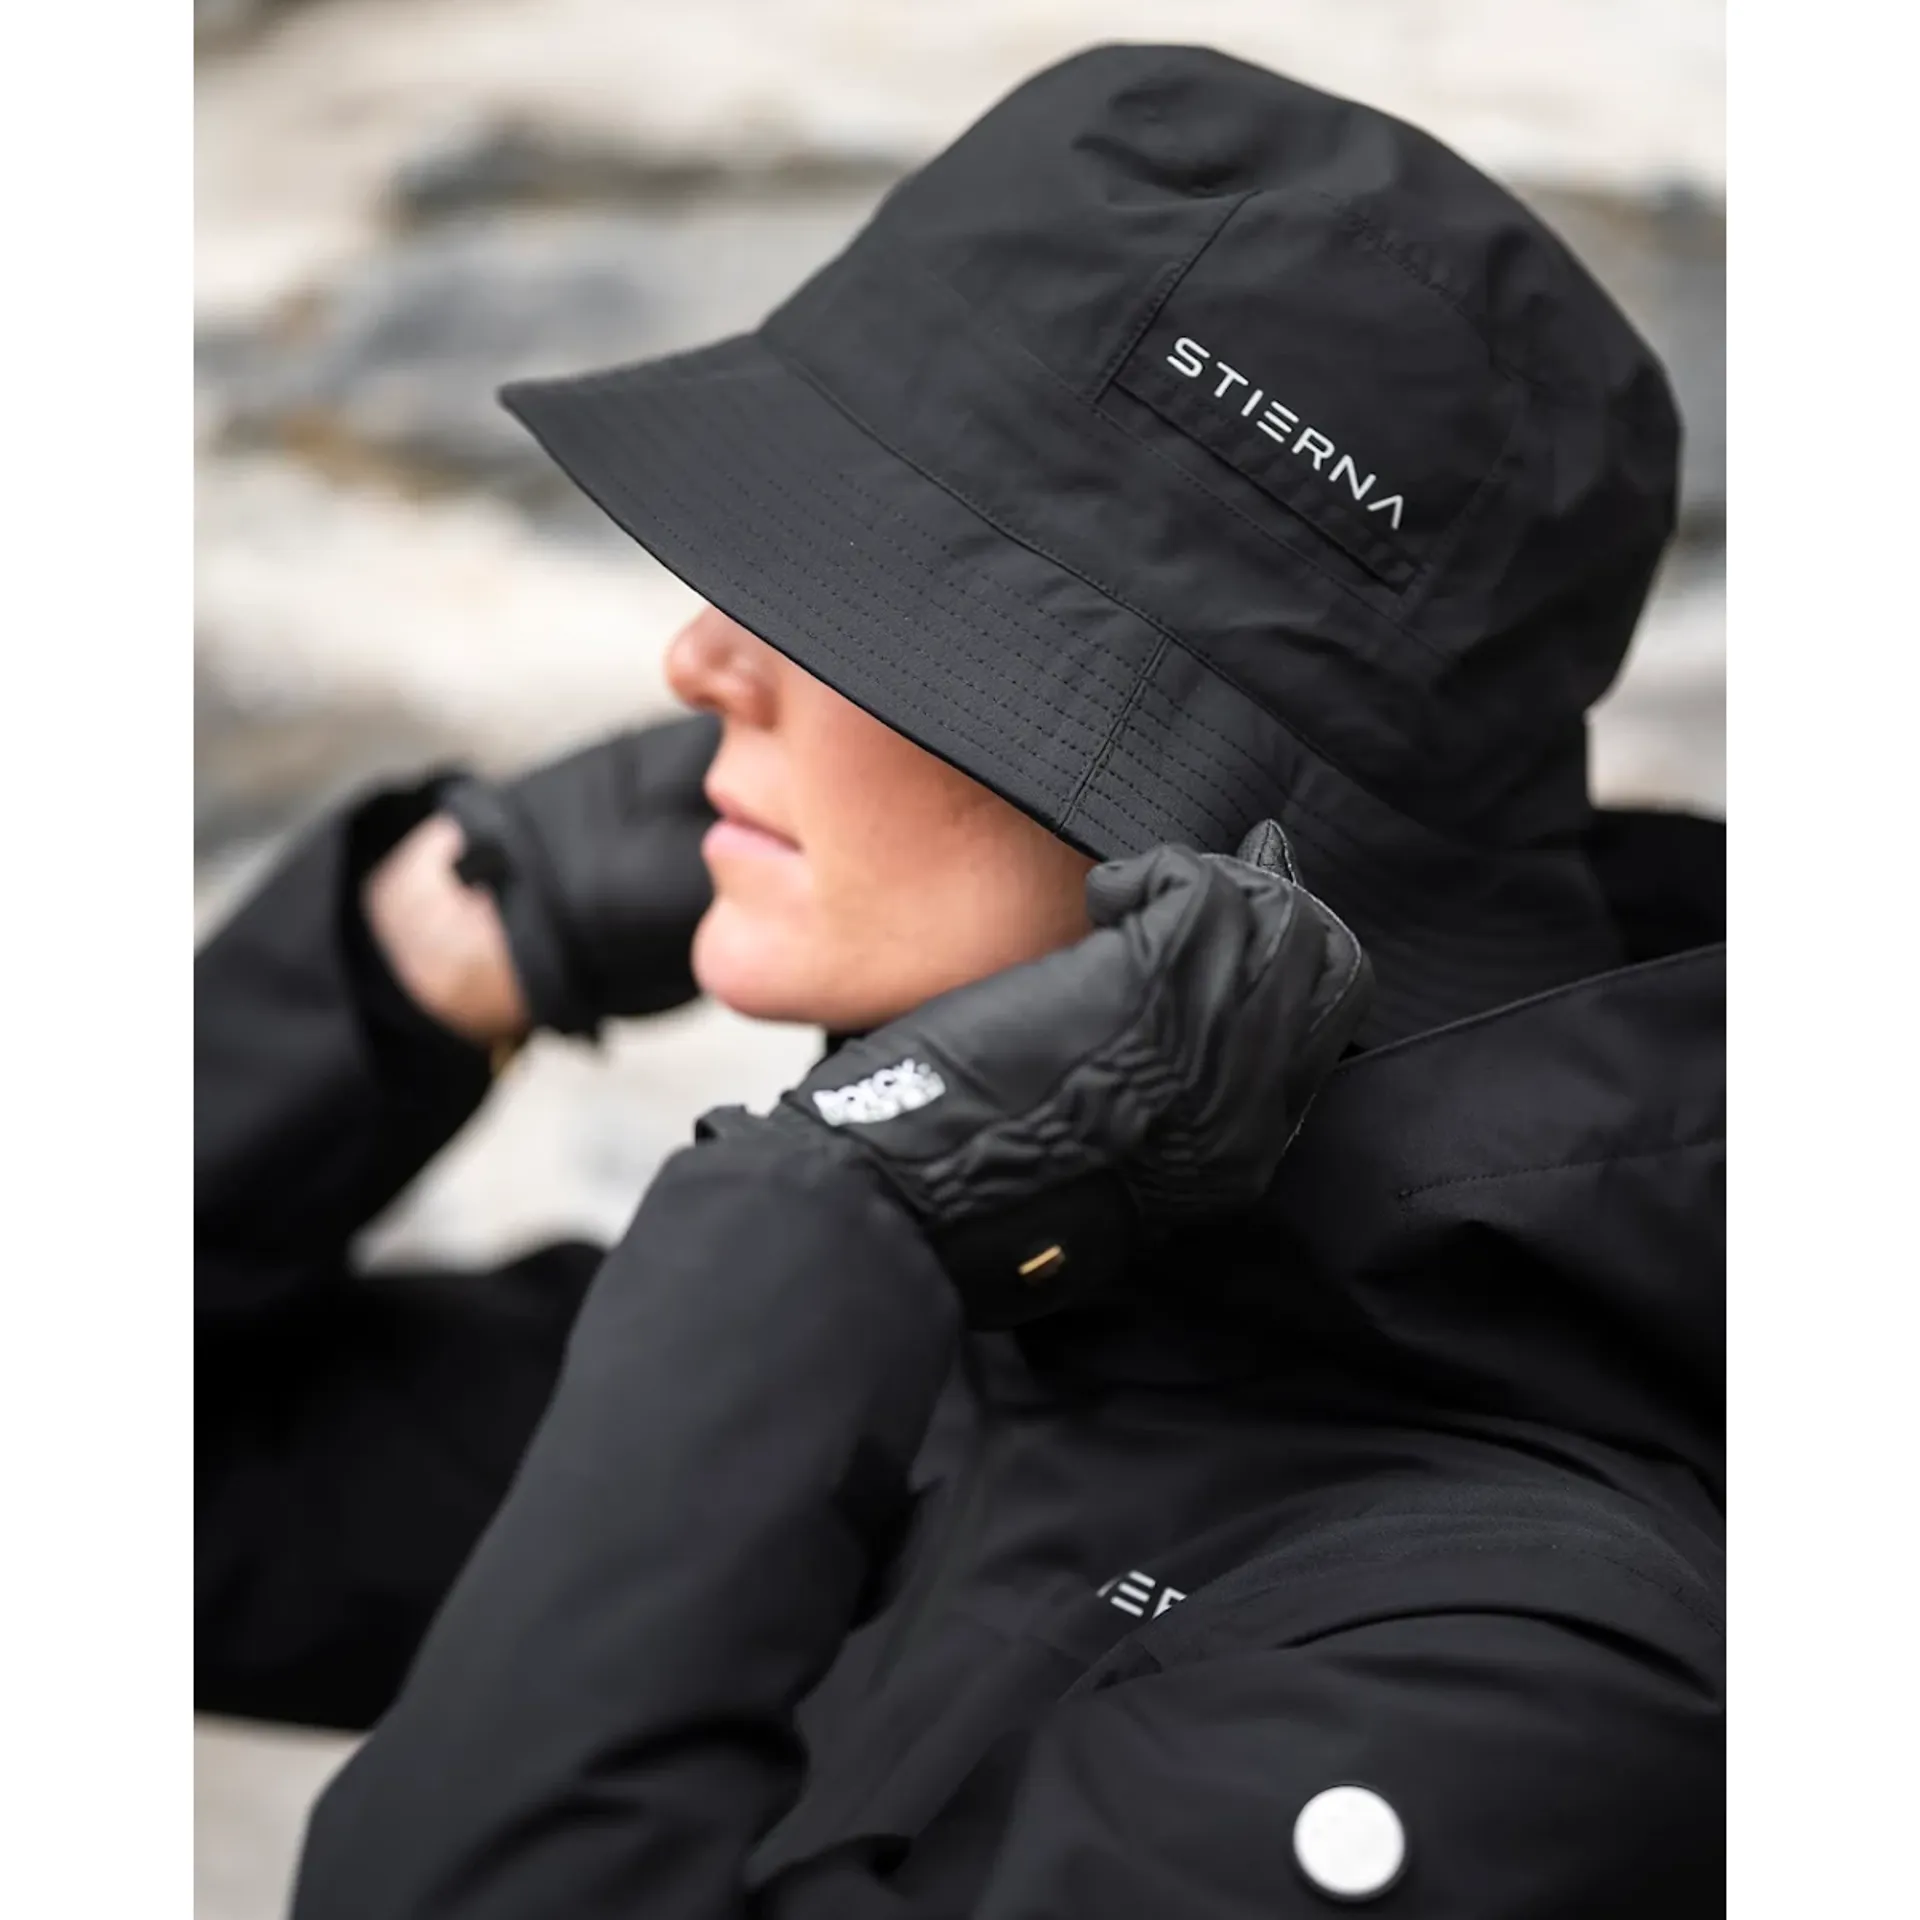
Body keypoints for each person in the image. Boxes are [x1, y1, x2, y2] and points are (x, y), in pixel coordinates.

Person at [197, 44, 1725, 1916]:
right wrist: (441, 934)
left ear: (1211, 825)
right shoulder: (964, 1348)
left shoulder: (1517, 1697)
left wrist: (832, 1194)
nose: (701, 661)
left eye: (873, 594)